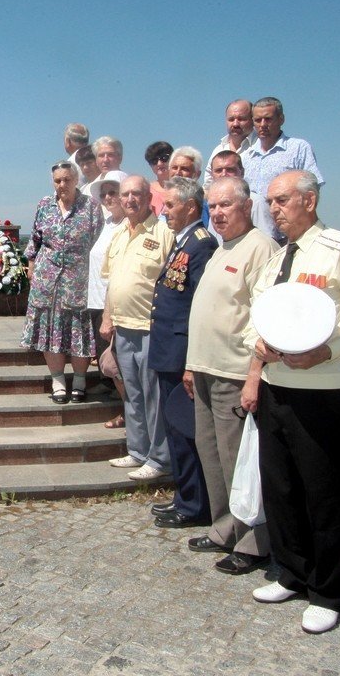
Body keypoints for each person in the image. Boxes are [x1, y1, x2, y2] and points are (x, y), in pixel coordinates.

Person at [243, 170, 340, 634]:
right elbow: (257, 316)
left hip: (324, 391)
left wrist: (327, 351)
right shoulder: (277, 258)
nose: (273, 209)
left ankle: (327, 591)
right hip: (276, 387)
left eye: (281, 200)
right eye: (269, 202)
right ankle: (293, 572)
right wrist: (258, 348)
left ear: (309, 199)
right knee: (281, 488)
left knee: (323, 495)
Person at [179, 177, 277, 575]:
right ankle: (225, 527)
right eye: (213, 206)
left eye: (226, 205)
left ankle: (255, 542)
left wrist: (254, 375)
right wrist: (191, 364)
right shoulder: (222, 248)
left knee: (240, 461)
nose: (217, 213)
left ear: (247, 206)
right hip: (206, 368)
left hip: (234, 373)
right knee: (212, 454)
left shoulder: (260, 249)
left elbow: (265, 318)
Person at [145, 177, 218, 492]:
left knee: (184, 427)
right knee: (174, 426)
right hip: (168, 349)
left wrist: (192, 360)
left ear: (191, 207)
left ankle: (194, 501)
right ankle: (185, 496)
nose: (164, 211)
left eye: (170, 205)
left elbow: (200, 305)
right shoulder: (182, 240)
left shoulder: (201, 244)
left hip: (181, 351)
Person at [100, 175, 174, 479]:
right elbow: (112, 282)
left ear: (149, 198)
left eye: (137, 194)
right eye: (125, 194)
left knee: (152, 394)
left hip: (150, 327)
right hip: (123, 327)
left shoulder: (165, 233)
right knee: (131, 393)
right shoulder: (118, 235)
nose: (130, 199)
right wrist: (107, 318)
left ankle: (159, 459)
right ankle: (138, 451)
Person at [21, 160, 103, 403]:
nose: (62, 185)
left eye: (67, 179)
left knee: (79, 332)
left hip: (79, 280)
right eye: (58, 180)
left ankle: (79, 380)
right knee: (50, 333)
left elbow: (99, 242)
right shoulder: (45, 205)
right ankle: (57, 381)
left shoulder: (91, 207)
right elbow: (35, 239)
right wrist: (32, 265)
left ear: (76, 180)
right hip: (47, 281)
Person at [243, 97, 324, 242]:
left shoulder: (298, 148)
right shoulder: (245, 157)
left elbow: (313, 189)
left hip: (287, 236)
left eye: (268, 119)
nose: (262, 125)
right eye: (257, 120)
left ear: (281, 119)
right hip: (253, 237)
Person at [85, 171, 128, 420]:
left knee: (120, 365)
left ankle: (128, 414)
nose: (109, 197)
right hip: (97, 300)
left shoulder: (129, 225)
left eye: (114, 191)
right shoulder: (106, 224)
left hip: (116, 305)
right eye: (105, 193)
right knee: (110, 364)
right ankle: (123, 408)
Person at [210, 151, 275, 241]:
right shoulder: (213, 204)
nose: (224, 174)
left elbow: (267, 240)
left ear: (242, 172)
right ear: (211, 174)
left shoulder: (257, 202)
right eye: (218, 170)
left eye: (230, 170)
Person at [207, 99, 257, 184]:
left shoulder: (260, 147)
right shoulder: (218, 150)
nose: (235, 124)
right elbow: (208, 184)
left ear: (253, 120)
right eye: (231, 119)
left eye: (241, 119)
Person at [144, 141, 173, 215]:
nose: (159, 163)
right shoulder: (146, 190)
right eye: (154, 161)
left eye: (164, 158)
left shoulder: (183, 188)